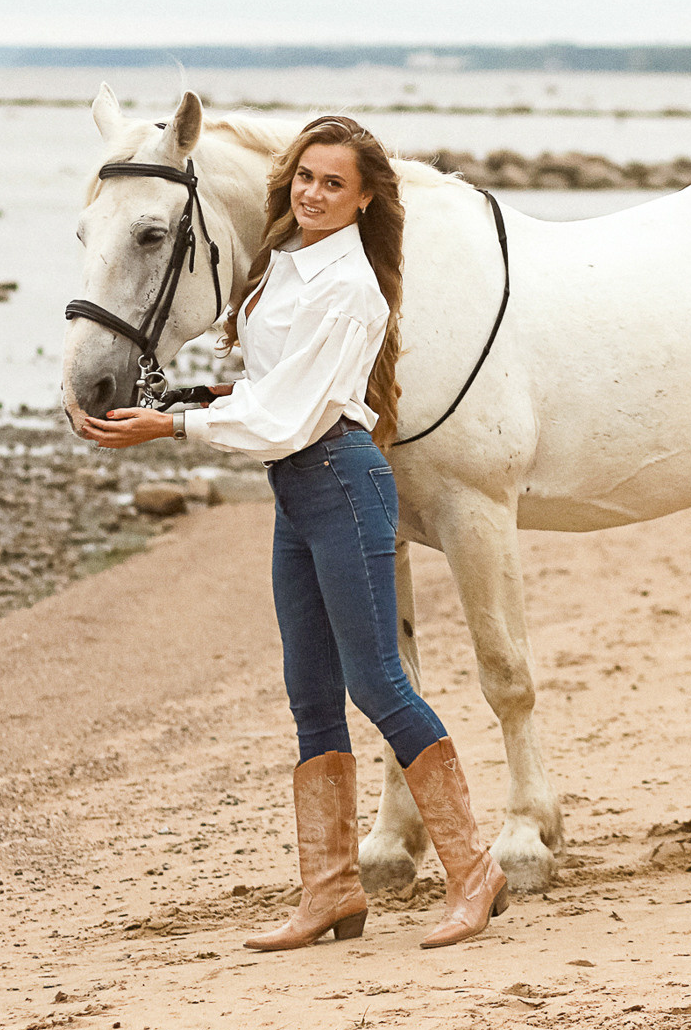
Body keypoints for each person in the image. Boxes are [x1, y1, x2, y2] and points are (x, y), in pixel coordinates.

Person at [81, 114, 508, 950]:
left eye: (333, 183)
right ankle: (332, 890)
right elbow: (267, 387)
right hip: (298, 492)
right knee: (310, 695)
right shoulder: (282, 269)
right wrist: (189, 401)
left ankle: (473, 870)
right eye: (305, 177)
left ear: (362, 199)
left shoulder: (351, 285)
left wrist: (169, 432)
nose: (314, 193)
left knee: (379, 685)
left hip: (342, 482)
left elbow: (290, 415)